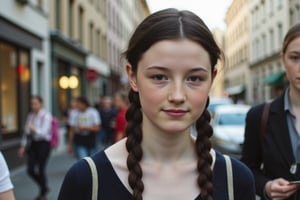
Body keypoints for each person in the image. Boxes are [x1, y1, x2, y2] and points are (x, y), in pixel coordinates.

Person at [58, 8, 255, 200]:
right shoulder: (86, 180)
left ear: (212, 79)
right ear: (132, 77)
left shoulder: (236, 180)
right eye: (159, 77)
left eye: (194, 78)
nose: (177, 96)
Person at [241, 22, 300, 200]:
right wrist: (266, 186)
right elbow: (248, 169)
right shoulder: (259, 116)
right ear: (283, 59)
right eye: (295, 58)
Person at [18, 95, 52, 200]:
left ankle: (42, 194)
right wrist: (23, 146)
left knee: (41, 169)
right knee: (30, 169)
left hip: (44, 144)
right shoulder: (31, 116)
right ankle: (44, 186)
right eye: (32, 104)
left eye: (35, 103)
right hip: (33, 144)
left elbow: (44, 133)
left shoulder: (46, 115)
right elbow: (26, 133)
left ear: (41, 104)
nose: (33, 106)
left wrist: (34, 129)